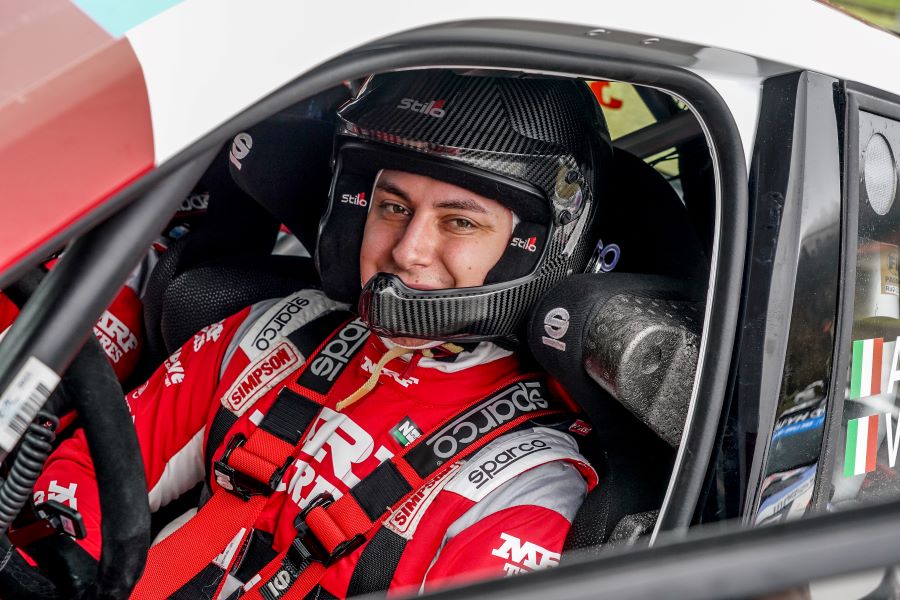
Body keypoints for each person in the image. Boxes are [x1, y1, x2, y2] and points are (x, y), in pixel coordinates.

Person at [34, 69, 612, 599]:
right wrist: (71, 572)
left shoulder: (522, 483)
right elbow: (89, 469)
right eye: (393, 207)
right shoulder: (275, 332)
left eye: (459, 222)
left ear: (529, 249)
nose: (407, 251)